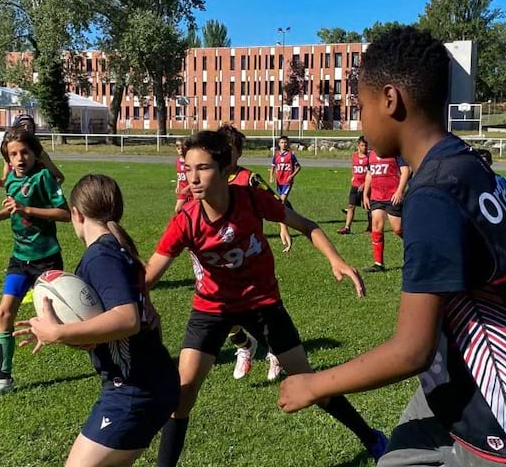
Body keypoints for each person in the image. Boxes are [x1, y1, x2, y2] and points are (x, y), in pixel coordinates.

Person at [278, 26, 506, 467]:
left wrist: (315, 384)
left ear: (390, 100)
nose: (359, 119)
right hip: (471, 381)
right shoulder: (466, 164)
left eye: (361, 105)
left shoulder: (430, 196)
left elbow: (412, 350)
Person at [146, 130, 386, 467]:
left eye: (202, 168)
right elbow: (149, 276)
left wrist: (337, 260)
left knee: (309, 382)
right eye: (187, 168)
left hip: (262, 305)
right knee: (182, 394)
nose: (192, 177)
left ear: (225, 167)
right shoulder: (185, 221)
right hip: (211, 310)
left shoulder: (250, 199)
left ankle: (372, 437)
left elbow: (307, 226)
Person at [13, 174, 180, 467]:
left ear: (76, 214)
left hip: (133, 391)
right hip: (148, 382)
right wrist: (65, 330)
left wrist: (60, 334)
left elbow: (127, 319)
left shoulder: (101, 257)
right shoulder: (118, 250)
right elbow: (139, 320)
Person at [0, 127, 71, 400]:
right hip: (19, 259)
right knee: (3, 314)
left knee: (68, 319)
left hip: (46, 257)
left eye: (25, 152)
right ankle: (3, 378)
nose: (20, 158)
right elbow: (13, 207)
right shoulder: (11, 178)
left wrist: (28, 209)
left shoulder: (44, 177)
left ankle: (106, 354)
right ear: (8, 160)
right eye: (14, 154)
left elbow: (64, 214)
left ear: (35, 153)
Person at [218, 124, 284, 381]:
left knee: (264, 312)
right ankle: (245, 345)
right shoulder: (213, 179)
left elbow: (277, 204)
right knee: (223, 311)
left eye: (231, 150)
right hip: (222, 260)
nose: (226, 154)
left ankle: (276, 354)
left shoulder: (250, 179)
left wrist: (283, 229)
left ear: (239, 153)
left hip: (252, 258)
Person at [362, 144, 410, 272]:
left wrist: (399, 191)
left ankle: (416, 247)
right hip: (376, 196)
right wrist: (365, 194)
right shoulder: (370, 154)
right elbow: (369, 174)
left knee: (398, 229)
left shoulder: (394, 151)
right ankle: (378, 263)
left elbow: (406, 171)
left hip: (392, 196)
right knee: (376, 227)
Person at [0, 114, 65, 190]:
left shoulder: (40, 153)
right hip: (16, 195)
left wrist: (43, 193)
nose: (26, 128)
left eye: (29, 126)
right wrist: (1, 181)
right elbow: (7, 173)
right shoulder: (9, 149)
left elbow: (59, 177)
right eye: (23, 125)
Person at [270, 135, 300, 252]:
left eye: (286, 142)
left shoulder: (291, 155)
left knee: (281, 202)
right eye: (282, 142)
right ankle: (290, 213)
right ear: (279, 144)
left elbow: (298, 167)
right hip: (279, 182)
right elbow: (272, 167)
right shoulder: (276, 156)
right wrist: (271, 176)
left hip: (287, 182)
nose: (284, 144)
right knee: (283, 203)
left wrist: (291, 176)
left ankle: (283, 227)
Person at [338, 136, 371, 235]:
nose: (364, 147)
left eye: (366, 145)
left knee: (368, 207)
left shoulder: (369, 157)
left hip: (366, 186)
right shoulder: (354, 156)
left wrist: (365, 184)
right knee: (351, 206)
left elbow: (372, 173)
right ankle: (347, 227)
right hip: (355, 185)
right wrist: (353, 177)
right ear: (358, 146)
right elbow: (354, 168)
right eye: (362, 145)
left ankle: (370, 227)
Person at [174, 138, 191, 214]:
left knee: (183, 209)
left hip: (190, 190)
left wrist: (187, 188)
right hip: (182, 190)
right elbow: (179, 176)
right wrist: (178, 185)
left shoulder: (189, 162)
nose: (180, 150)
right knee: (178, 209)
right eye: (178, 148)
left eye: (182, 148)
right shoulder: (177, 161)